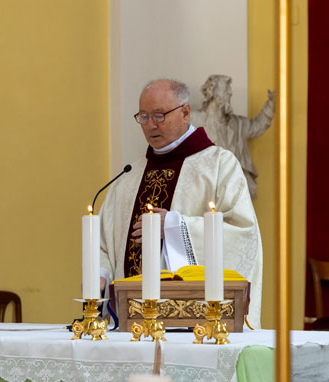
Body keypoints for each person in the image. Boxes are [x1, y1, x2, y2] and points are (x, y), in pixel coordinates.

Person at [99, 78, 264, 326]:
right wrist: (100, 274)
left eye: (159, 115)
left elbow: (244, 234)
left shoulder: (219, 166)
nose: (150, 125)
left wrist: (174, 226)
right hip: (130, 323)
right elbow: (103, 242)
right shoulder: (129, 177)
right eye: (143, 117)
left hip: (197, 326)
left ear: (185, 112)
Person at [193, 74, 275, 200]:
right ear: (214, 93)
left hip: (233, 191)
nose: (230, 93)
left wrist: (271, 105)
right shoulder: (194, 120)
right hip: (204, 190)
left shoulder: (237, 124)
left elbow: (257, 126)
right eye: (226, 89)